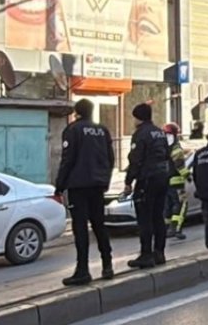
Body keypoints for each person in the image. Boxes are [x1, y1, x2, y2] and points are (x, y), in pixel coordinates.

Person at [55, 99, 114, 286]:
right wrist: (105, 181)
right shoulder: (102, 130)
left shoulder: (72, 130)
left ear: (76, 112)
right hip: (97, 185)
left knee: (80, 228)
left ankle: (83, 270)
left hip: (78, 186)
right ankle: (107, 264)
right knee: (99, 225)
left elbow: (67, 160)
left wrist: (59, 186)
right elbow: (110, 159)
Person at [123, 103, 170, 269]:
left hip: (147, 178)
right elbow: (167, 154)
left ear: (138, 118)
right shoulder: (160, 132)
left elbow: (136, 160)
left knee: (145, 217)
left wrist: (128, 181)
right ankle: (159, 252)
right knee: (158, 216)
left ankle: (146, 254)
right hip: (162, 177)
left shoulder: (140, 134)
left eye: (134, 117)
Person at [163, 123, 189, 240]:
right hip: (177, 183)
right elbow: (180, 166)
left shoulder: (162, 148)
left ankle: (166, 229)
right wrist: (188, 176)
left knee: (167, 207)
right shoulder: (176, 149)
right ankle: (177, 229)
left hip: (165, 183)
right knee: (181, 205)